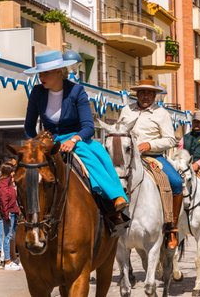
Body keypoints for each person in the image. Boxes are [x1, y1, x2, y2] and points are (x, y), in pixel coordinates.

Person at [24, 50, 128, 215]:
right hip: (48, 142)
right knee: (25, 166)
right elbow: (29, 126)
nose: (41, 77)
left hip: (76, 140)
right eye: (39, 73)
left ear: (59, 71)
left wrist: (73, 140)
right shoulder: (37, 92)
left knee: (93, 156)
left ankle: (115, 197)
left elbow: (88, 127)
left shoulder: (76, 91)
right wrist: (34, 143)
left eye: (45, 73)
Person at [118, 78, 182, 249]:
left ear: (154, 95)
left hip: (153, 157)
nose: (145, 96)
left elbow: (170, 140)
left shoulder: (162, 113)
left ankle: (171, 228)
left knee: (176, 183)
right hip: (127, 157)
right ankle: (108, 220)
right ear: (137, 94)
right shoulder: (126, 110)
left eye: (149, 93)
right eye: (142, 92)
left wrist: (149, 145)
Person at [0, 162, 21, 271]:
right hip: (9, 214)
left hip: (13, 212)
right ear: (9, 172)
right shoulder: (3, 184)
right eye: (13, 170)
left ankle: (12, 258)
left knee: (12, 236)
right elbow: (3, 201)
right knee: (7, 237)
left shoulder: (9, 183)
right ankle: (7, 261)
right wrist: (6, 216)